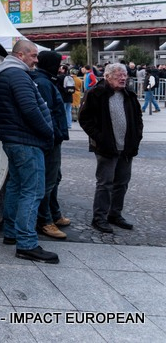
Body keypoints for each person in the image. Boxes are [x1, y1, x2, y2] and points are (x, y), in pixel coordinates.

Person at [0, 40, 57, 263]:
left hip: (14, 140)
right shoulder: (17, 75)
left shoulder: (6, 74)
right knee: (32, 191)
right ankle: (27, 243)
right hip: (27, 141)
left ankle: (11, 233)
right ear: (20, 55)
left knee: (16, 186)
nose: (36, 60)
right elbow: (30, 108)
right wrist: (48, 131)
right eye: (33, 55)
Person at [79, 62, 143, 233]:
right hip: (106, 148)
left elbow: (138, 119)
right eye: (118, 75)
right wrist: (100, 139)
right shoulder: (95, 93)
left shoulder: (129, 94)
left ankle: (115, 214)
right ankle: (99, 218)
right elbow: (84, 120)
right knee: (105, 183)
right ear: (107, 77)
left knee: (122, 183)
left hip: (126, 148)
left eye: (124, 75)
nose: (123, 78)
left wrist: (136, 138)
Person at [31, 51, 70, 240]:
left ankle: (54, 213)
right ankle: (45, 220)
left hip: (54, 137)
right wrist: (55, 135)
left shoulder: (46, 80)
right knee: (48, 181)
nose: (61, 67)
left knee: (55, 178)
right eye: (58, 64)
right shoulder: (45, 82)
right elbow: (48, 113)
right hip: (51, 139)